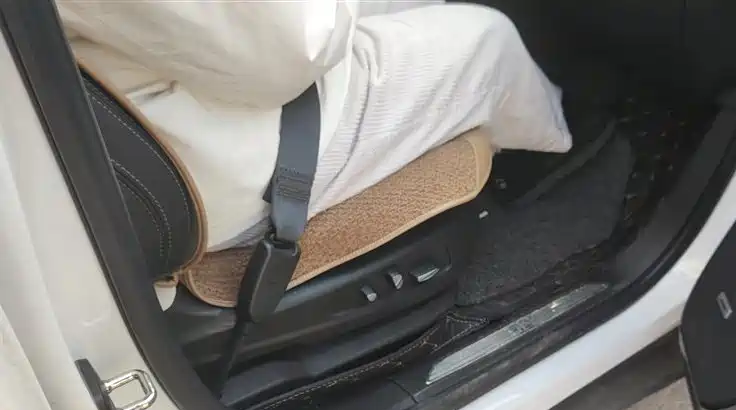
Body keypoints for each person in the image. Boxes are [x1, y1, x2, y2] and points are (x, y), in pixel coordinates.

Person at [57, 0, 572, 252]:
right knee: (490, 41)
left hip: (126, 97)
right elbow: (293, 48)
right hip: (205, 156)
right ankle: (559, 148)